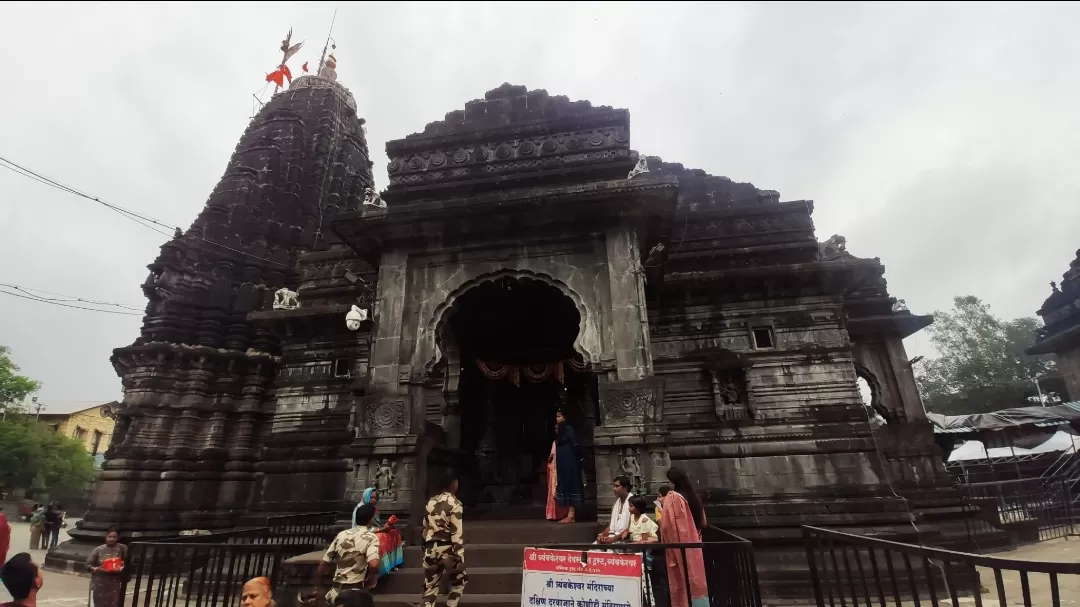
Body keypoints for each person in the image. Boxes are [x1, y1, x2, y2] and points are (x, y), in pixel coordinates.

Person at [657, 467, 708, 607]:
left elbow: (668, 527)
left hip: (681, 545)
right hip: (697, 542)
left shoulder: (674, 497)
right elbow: (704, 523)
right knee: (696, 580)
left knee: (681, 579)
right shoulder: (695, 497)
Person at [315, 504, 381, 601]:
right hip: (355, 593)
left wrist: (318, 587)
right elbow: (374, 565)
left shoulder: (341, 535)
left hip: (335, 592)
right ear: (370, 519)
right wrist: (372, 577)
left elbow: (323, 564)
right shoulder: (371, 537)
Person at [421, 474, 467, 607]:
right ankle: (451, 604)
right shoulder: (456, 504)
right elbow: (456, 533)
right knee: (459, 581)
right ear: (454, 485)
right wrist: (460, 557)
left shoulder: (431, 501)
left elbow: (425, 525)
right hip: (447, 549)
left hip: (430, 549)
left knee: (430, 587)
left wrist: (424, 545)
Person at [353, 488, 403, 578]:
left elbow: (377, 525)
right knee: (382, 537)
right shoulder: (360, 509)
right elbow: (359, 527)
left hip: (374, 530)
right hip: (363, 533)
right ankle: (382, 565)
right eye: (371, 497)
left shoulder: (375, 510)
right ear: (366, 497)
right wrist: (381, 530)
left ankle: (391, 564)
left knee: (394, 532)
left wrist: (388, 525)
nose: (373, 500)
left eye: (375, 498)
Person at [552, 410, 584, 524]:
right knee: (565, 484)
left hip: (570, 462)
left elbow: (575, 444)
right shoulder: (561, 431)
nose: (557, 418)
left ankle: (571, 515)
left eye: (559, 416)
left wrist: (578, 459)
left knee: (571, 485)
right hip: (563, 463)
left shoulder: (568, 429)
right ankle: (570, 515)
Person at [627, 496, 659, 606]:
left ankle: (651, 602)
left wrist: (630, 545)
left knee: (643, 573)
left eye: (631, 506)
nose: (629, 508)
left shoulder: (644, 519)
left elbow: (644, 540)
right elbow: (631, 531)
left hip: (644, 549)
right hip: (635, 545)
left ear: (638, 507)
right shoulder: (632, 517)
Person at [87, 529, 127, 607]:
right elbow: (88, 565)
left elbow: (128, 563)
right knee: (98, 602)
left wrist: (122, 566)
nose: (112, 539)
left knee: (113, 603)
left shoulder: (122, 548)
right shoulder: (98, 549)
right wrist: (97, 569)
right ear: (106, 537)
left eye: (114, 537)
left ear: (118, 538)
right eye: (110, 537)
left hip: (114, 582)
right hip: (99, 581)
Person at [595, 476, 634, 544]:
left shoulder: (633, 503)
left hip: (626, 539)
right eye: (614, 486)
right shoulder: (615, 504)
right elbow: (610, 527)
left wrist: (613, 539)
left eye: (617, 486)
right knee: (595, 547)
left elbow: (632, 528)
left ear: (625, 487)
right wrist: (601, 535)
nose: (614, 489)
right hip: (613, 536)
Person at [544, 439, 568, 522]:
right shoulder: (556, 442)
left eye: (558, 428)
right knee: (554, 491)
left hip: (561, 468)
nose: (556, 430)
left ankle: (563, 514)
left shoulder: (564, 443)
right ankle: (554, 513)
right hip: (554, 468)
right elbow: (552, 455)